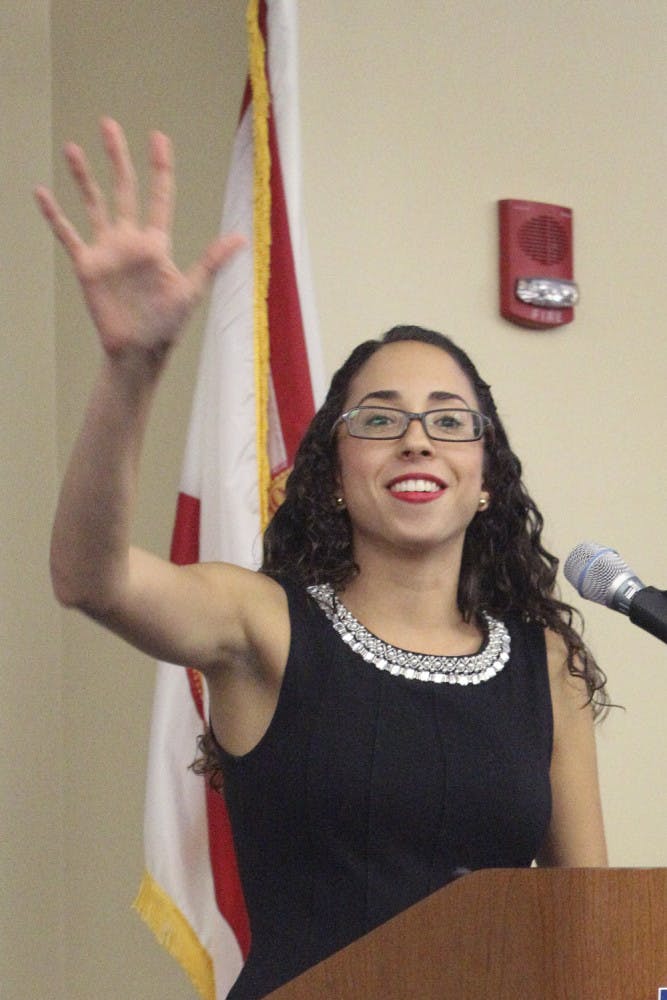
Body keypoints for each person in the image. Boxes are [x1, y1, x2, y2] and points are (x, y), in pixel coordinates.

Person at [37, 120, 608, 999]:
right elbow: (90, 577)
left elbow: (589, 932)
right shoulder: (260, 624)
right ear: (334, 476)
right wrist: (132, 370)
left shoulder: (544, 664)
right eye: (378, 420)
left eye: (448, 420)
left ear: (485, 478)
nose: (416, 439)